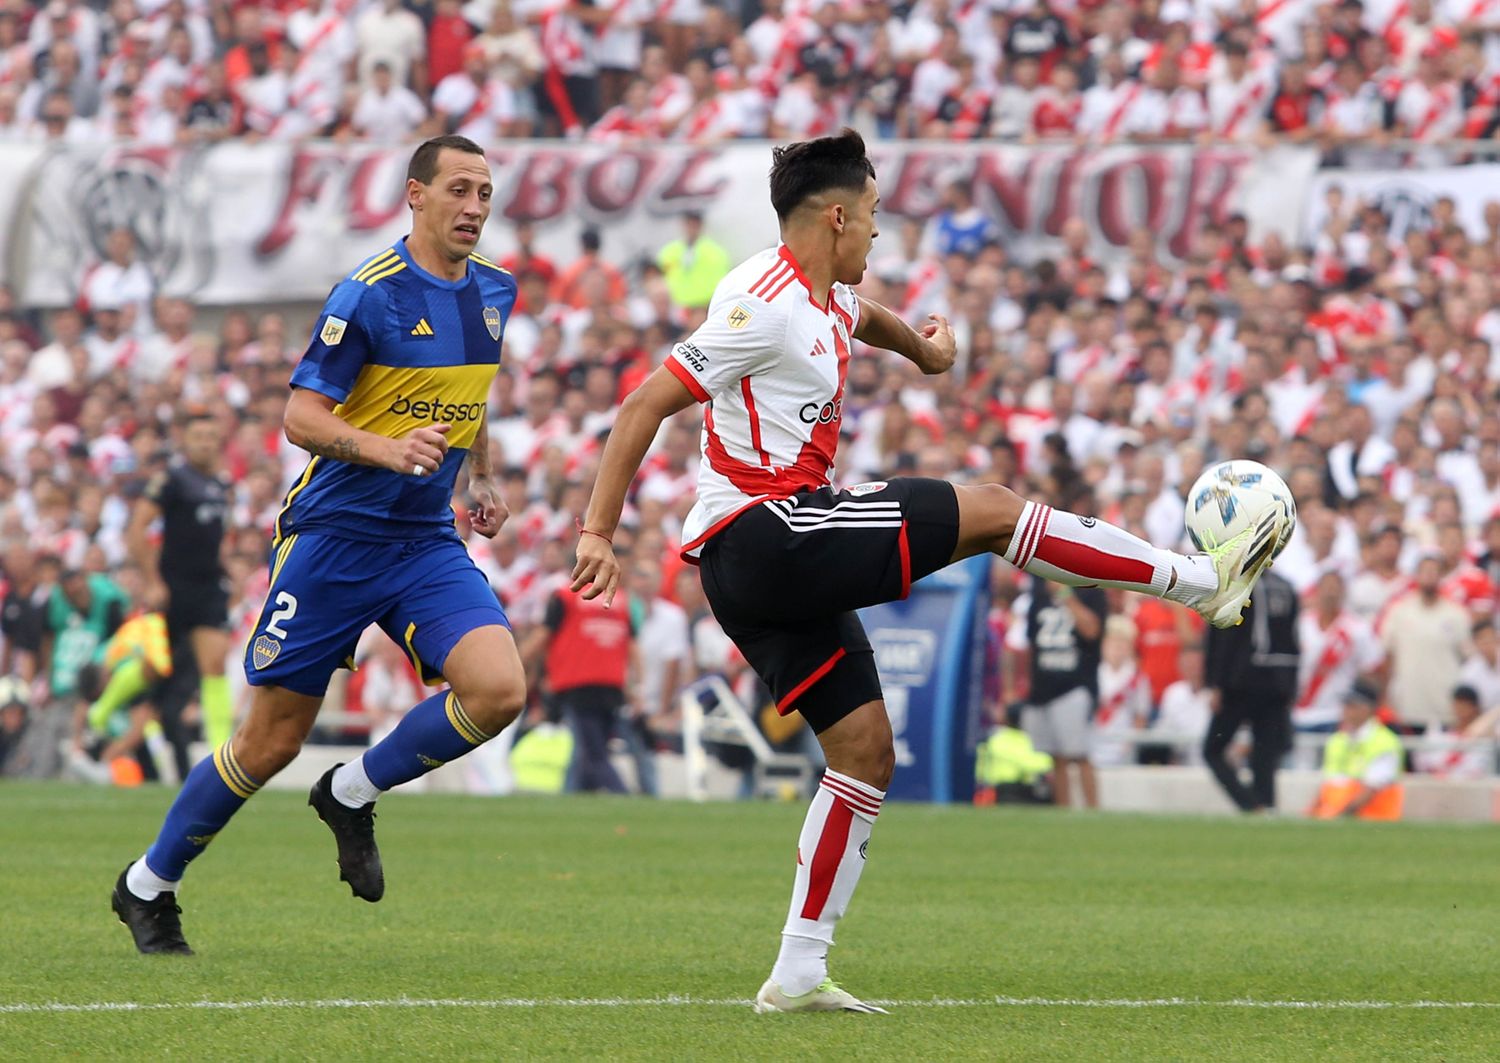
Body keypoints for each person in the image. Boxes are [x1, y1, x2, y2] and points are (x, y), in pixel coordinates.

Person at [569, 129, 1290, 1013]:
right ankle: (1198, 581)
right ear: (836, 216)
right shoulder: (762, 303)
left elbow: (862, 318)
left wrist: (923, 351)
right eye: (872, 216)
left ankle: (797, 970)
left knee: (865, 752)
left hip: (762, 562)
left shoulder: (826, 293)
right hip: (765, 532)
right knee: (989, 507)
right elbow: (646, 399)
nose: (878, 232)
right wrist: (598, 530)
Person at [111, 135, 524, 956]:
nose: (476, 206)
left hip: (423, 541)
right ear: (415, 195)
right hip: (332, 538)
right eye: (460, 189)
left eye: (485, 191)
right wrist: (385, 448)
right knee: (269, 741)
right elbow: (299, 417)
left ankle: (351, 790)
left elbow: (467, 400)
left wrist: (476, 477)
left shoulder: (494, 293)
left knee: (500, 689)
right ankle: (146, 885)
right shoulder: (365, 294)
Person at [126, 409, 234, 775]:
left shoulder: (220, 485)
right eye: (199, 436)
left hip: (207, 589)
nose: (205, 443)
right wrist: (153, 581)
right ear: (185, 441)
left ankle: (223, 757)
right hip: (172, 589)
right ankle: (104, 713)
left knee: (215, 665)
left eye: (210, 436)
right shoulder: (172, 480)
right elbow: (138, 528)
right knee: (153, 669)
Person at [1203, 569, 1300, 813]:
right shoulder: (1286, 586)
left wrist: (1215, 682)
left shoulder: (1237, 585)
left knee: (1212, 750)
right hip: (1278, 682)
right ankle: (1264, 807)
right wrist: (1290, 685)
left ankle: (1251, 805)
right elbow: (1294, 639)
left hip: (1240, 682)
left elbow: (1225, 633)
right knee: (1264, 755)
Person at [1007, 574, 1107, 808]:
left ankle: (1093, 810)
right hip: (1043, 686)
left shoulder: (1092, 588)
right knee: (1055, 757)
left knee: (1080, 754)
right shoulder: (1039, 589)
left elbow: (1092, 630)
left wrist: (1064, 594)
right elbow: (1031, 642)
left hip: (1074, 684)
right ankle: (1064, 811)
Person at [1308, 681, 1405, 820]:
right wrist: (1312, 813)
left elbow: (1371, 789)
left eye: (1351, 705)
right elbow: (1328, 785)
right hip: (1334, 818)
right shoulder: (1337, 740)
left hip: (1374, 821)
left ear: (1367, 709)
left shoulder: (1384, 742)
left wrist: (1339, 817)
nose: (1345, 710)